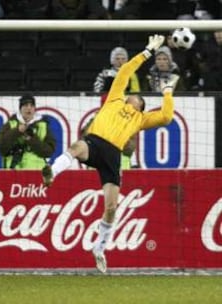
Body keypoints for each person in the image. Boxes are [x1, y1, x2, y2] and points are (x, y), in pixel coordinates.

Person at [41, 34, 179, 273]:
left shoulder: (141, 119)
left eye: (137, 98)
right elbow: (125, 70)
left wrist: (167, 92)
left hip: (113, 156)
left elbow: (166, 117)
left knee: (112, 206)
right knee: (76, 147)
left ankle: (99, 248)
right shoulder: (115, 98)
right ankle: (51, 172)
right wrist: (147, 51)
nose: (132, 96)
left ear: (141, 104)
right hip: (95, 143)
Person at [0, 93, 56, 169]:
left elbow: (49, 152)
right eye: (25, 105)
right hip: (14, 172)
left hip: (36, 172)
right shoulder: (10, 124)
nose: (29, 108)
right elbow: (0, 147)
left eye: (32, 105)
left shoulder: (43, 126)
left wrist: (31, 139)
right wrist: (17, 131)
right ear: (20, 108)